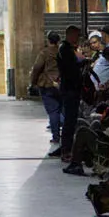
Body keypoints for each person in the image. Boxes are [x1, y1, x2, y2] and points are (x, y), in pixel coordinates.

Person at [54, 24, 86, 164]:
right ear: (71, 35)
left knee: (70, 120)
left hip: (70, 89)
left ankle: (66, 148)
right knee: (69, 121)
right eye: (77, 36)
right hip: (70, 90)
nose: (78, 39)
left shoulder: (67, 49)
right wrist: (82, 63)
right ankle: (66, 150)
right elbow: (71, 69)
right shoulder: (66, 50)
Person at [32, 32, 64, 146]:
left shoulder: (44, 53)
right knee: (62, 110)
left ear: (48, 40)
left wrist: (33, 82)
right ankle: (66, 134)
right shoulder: (63, 53)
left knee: (53, 111)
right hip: (62, 84)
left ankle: (56, 137)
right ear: (58, 41)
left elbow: (37, 68)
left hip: (47, 84)